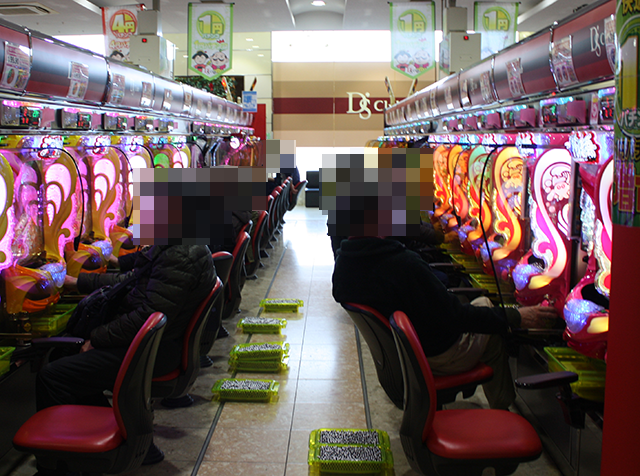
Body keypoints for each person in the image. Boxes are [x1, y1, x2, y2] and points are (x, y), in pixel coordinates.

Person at [34, 245, 216, 473]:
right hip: (158, 344)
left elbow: (146, 315)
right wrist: (79, 282)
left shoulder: (178, 255)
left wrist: (97, 338)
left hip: (152, 351)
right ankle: (104, 443)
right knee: (68, 359)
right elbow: (132, 280)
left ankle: (66, 463)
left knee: (53, 376)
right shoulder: (181, 246)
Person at [332, 236, 558, 410]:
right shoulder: (403, 264)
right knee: (491, 325)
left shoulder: (345, 261)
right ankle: (503, 414)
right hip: (434, 354)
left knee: (483, 303)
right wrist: (518, 316)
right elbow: (456, 317)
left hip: (404, 354)